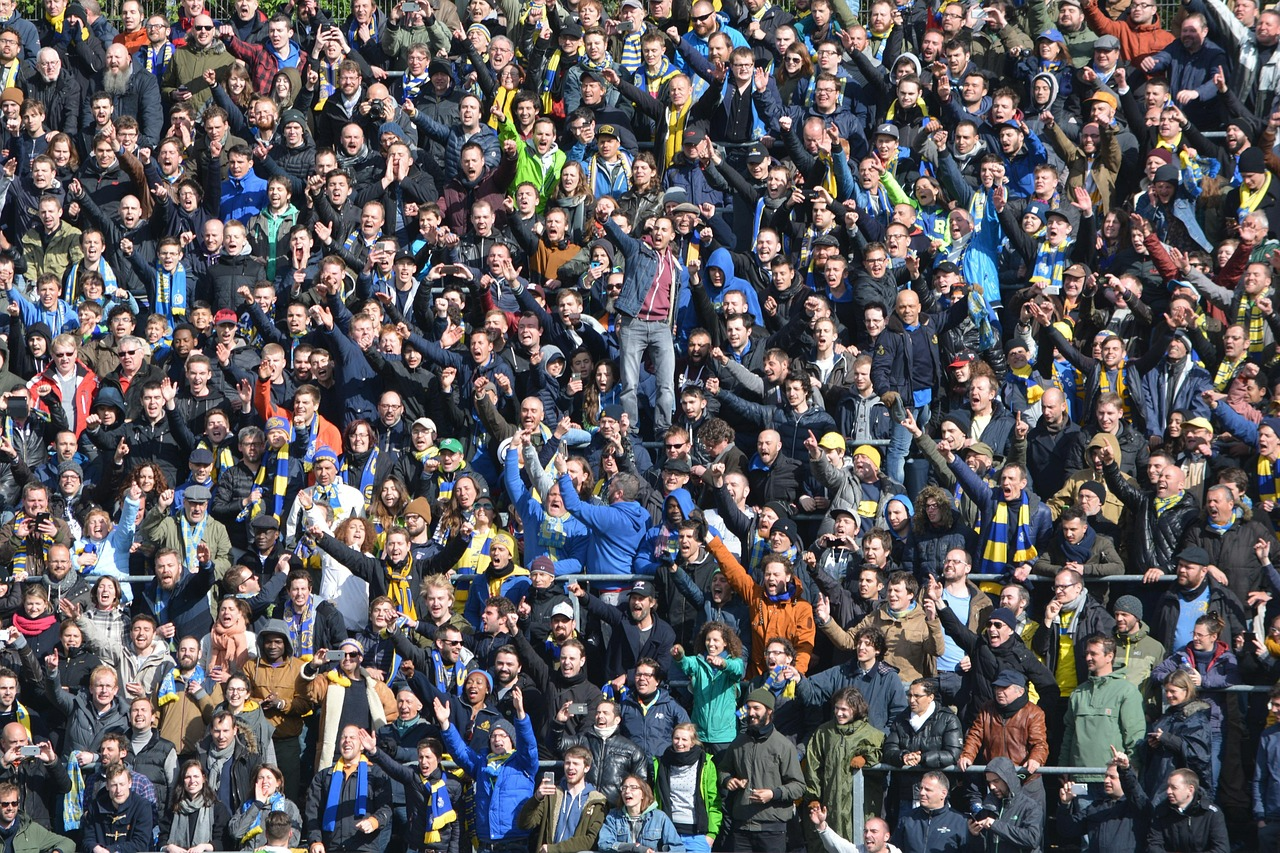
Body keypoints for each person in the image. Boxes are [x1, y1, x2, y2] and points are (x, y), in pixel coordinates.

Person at [434, 686, 537, 853]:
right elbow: (461, 751)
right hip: (486, 842)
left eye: (502, 735)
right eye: (493, 736)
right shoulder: (482, 763)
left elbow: (528, 744)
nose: (497, 739)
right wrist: (445, 724)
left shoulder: (523, 762)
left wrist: (520, 713)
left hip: (516, 840)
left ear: (512, 740)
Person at [715, 688, 805, 852]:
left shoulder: (783, 746)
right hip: (741, 826)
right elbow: (722, 770)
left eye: (756, 708)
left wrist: (773, 794)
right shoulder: (738, 743)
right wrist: (728, 780)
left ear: (769, 711)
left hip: (772, 829)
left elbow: (799, 786)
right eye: (748, 708)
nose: (751, 713)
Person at [303, 725, 393, 853]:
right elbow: (313, 812)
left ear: (362, 746)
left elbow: (386, 807)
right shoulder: (324, 776)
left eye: (352, 737)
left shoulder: (376, 774)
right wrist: (315, 841)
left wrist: (374, 821)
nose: (347, 741)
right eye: (343, 737)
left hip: (364, 847)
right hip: (332, 847)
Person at [516, 744, 607, 853]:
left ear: (586, 768)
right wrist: (537, 797)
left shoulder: (598, 802)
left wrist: (554, 849)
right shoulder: (552, 795)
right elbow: (525, 824)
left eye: (576, 764)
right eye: (567, 763)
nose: (570, 767)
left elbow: (590, 840)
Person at [1057, 747, 1147, 853]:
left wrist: (1126, 769)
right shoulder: (1096, 807)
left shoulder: (1136, 805)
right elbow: (1067, 830)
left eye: (1112, 777)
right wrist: (1065, 804)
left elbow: (1133, 789)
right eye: (1106, 776)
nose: (1106, 781)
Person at [1146, 768, 1229, 853]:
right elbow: (1153, 846)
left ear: (1190, 790)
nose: (1168, 791)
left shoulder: (1211, 813)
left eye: (1174, 788)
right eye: (1168, 787)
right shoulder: (1161, 811)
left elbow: (1221, 849)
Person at [595, 775, 684, 853]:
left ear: (643, 794)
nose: (627, 791)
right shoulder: (613, 816)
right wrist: (632, 847)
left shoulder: (659, 817)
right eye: (624, 788)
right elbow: (604, 844)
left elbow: (678, 848)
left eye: (633, 787)